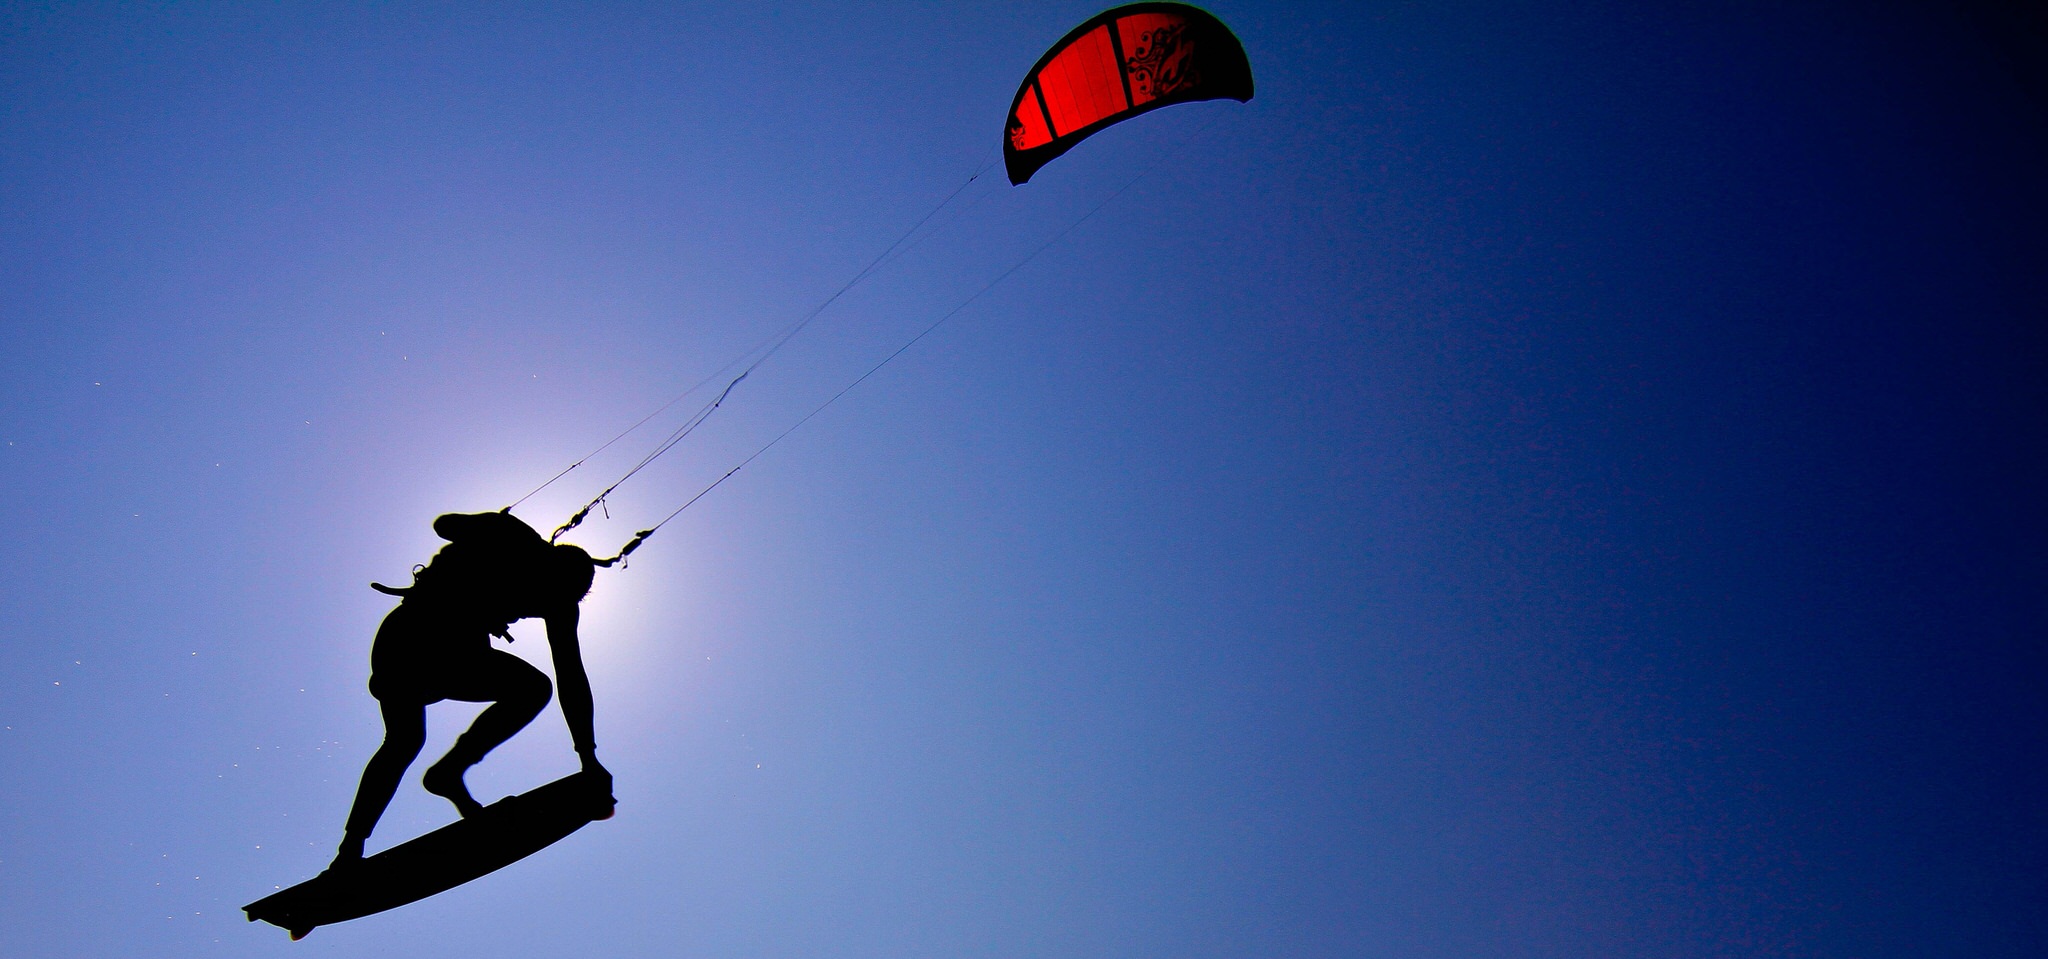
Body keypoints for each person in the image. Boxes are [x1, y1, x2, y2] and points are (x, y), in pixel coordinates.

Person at [330, 510, 611, 867]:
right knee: (404, 742)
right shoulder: (512, 539)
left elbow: (571, 674)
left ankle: (447, 773)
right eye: (541, 600)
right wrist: (488, 528)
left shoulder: (559, 603)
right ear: (545, 569)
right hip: (405, 642)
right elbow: (443, 525)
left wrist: (588, 758)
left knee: (532, 689)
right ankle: (349, 851)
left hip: (458, 656)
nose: (538, 610)